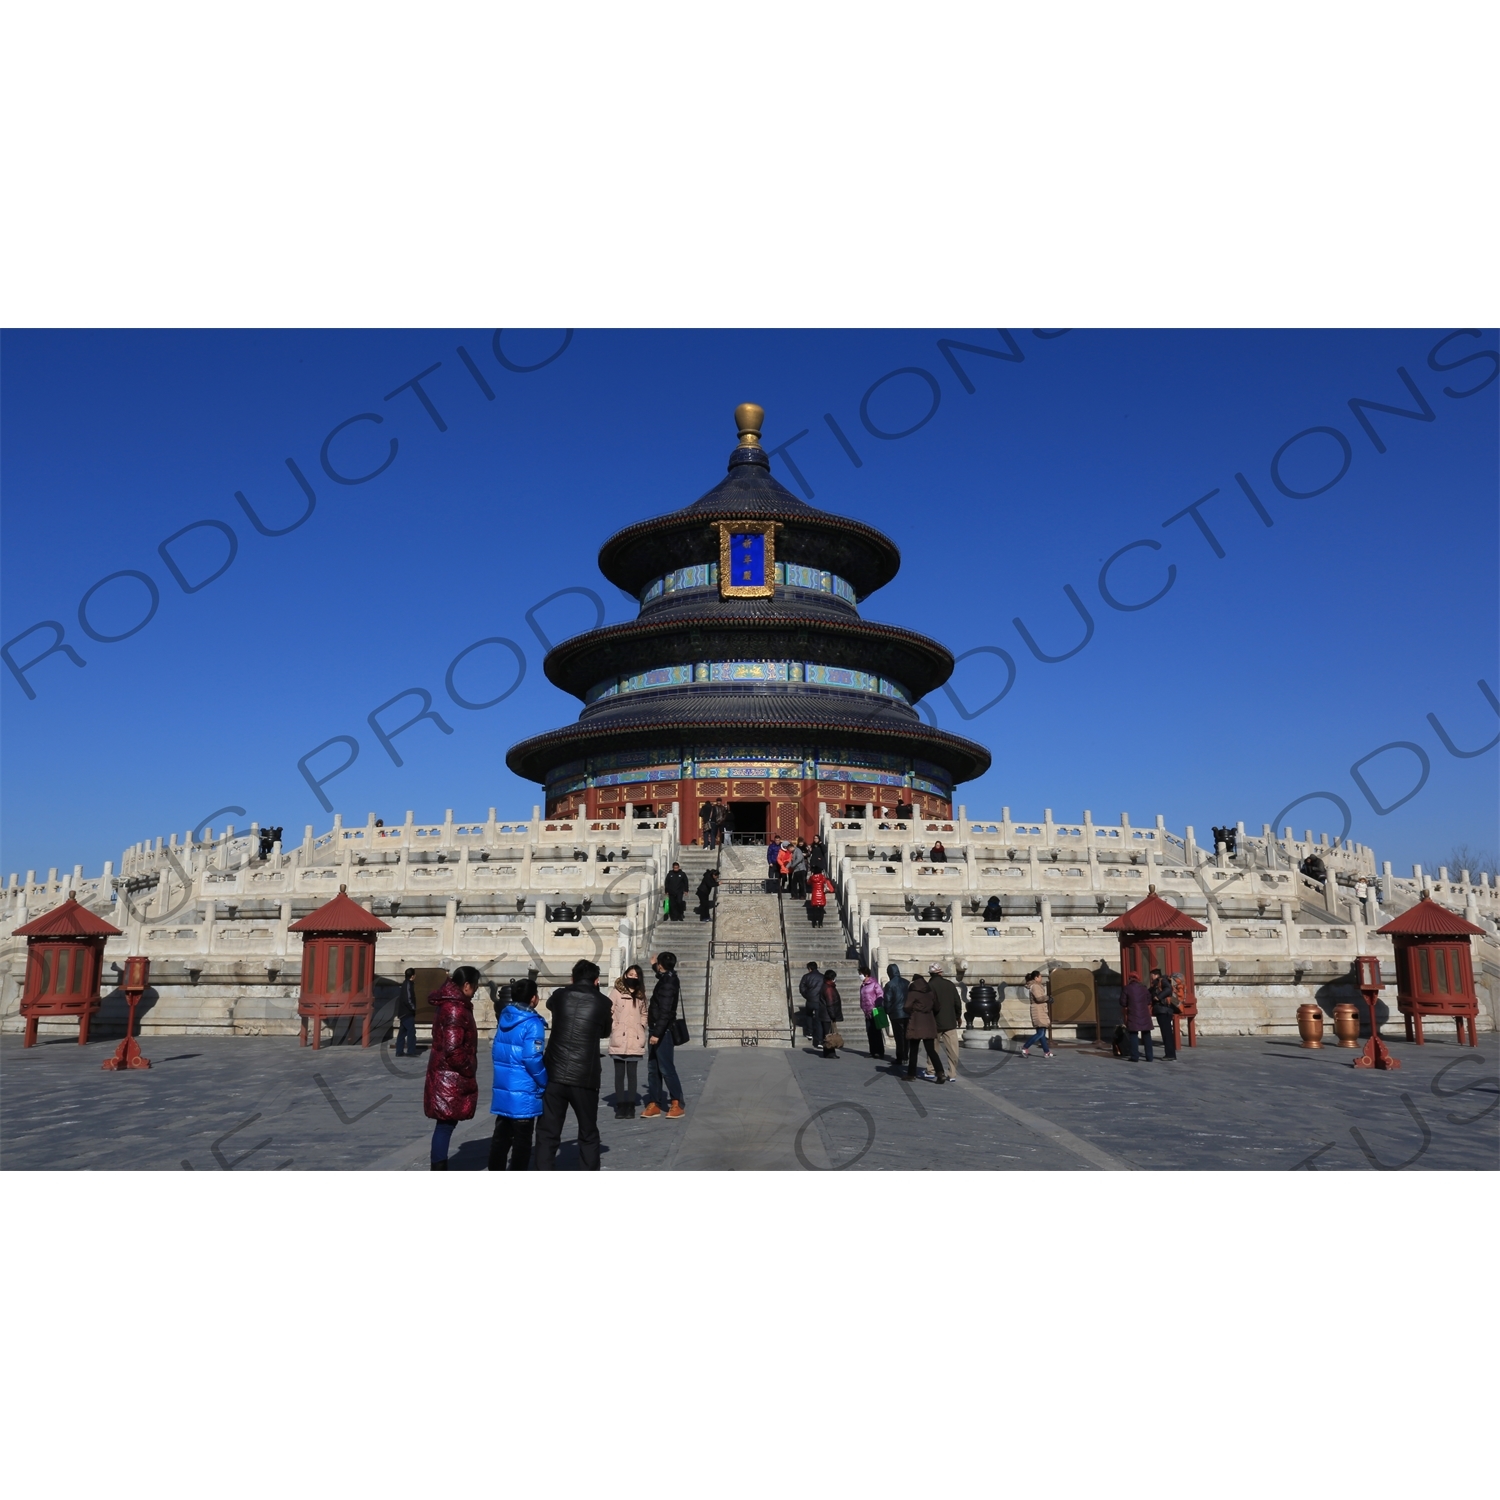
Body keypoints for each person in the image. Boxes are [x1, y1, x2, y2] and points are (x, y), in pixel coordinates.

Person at [533, 959, 614, 1169]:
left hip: (555, 1073)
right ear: (597, 981)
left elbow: (551, 1005)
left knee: (548, 1132)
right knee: (588, 1132)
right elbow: (605, 1031)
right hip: (585, 1076)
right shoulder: (604, 1003)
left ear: (572, 977)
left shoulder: (560, 995)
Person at [423, 966, 481, 1169]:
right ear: (466, 985)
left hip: (443, 1073)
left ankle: (439, 1166)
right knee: (445, 1125)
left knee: (445, 1124)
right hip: (450, 1077)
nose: (475, 991)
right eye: (475, 986)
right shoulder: (455, 1008)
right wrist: (469, 1067)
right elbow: (453, 1049)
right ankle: (438, 1167)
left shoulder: (449, 1003)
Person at [488, 976, 545, 1169]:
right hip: (524, 1088)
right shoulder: (533, 1023)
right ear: (533, 998)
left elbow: (496, 1050)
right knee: (522, 1141)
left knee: (501, 1137)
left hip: (504, 1085)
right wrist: (544, 1080)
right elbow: (532, 1058)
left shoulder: (505, 1017)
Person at [643, 952, 686, 1118]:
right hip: (656, 1029)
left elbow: (665, 1012)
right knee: (653, 1068)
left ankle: (676, 1102)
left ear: (662, 965)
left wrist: (657, 1034)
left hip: (662, 1031)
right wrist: (654, 965)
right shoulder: (668, 977)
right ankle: (654, 1102)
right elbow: (662, 974)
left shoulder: (668, 983)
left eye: (658, 964)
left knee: (666, 1068)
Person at [608, 969, 649, 1117]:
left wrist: (642, 1026)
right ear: (625, 975)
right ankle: (620, 1105)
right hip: (620, 1037)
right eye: (630, 974)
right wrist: (615, 1027)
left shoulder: (640, 994)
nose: (633, 977)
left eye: (636, 975)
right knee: (619, 1074)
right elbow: (609, 1011)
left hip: (635, 1038)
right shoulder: (616, 992)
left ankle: (630, 1106)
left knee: (632, 1074)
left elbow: (644, 1013)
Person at [903, 972, 946, 1082]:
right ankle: (940, 1072)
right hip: (928, 1021)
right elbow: (937, 1006)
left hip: (916, 1022)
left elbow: (906, 1006)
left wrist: (913, 1011)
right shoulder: (930, 992)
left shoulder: (913, 992)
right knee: (931, 1050)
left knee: (913, 1049)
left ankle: (911, 1074)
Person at [928, 962, 963, 1081]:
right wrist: (958, 1016)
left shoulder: (929, 986)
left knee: (933, 1048)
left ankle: (931, 1069)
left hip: (934, 1022)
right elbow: (957, 1003)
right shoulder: (950, 985)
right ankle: (952, 1073)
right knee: (953, 1049)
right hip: (950, 1021)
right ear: (941, 972)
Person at [1120, 972, 1155, 1062]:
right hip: (1144, 1014)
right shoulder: (1144, 988)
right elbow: (1148, 1000)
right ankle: (1149, 1056)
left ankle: (1135, 1056)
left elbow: (1123, 1002)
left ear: (1130, 979)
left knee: (1133, 1035)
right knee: (1147, 1035)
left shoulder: (1127, 988)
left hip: (1133, 1013)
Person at [1020, 969, 1055, 1058]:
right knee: (1040, 1033)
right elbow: (1039, 998)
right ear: (1036, 978)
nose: (1041, 978)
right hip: (1038, 1010)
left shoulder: (1037, 985)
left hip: (1041, 1010)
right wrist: (1048, 998)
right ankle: (1025, 1047)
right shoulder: (1035, 986)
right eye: (1040, 976)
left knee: (1041, 1032)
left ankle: (1046, 1051)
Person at [1148, 966, 1179, 1060]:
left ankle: (1170, 1055)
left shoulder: (1163, 980)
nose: (1151, 977)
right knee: (1166, 1033)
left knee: (1167, 1033)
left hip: (1164, 1010)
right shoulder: (1156, 984)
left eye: (1152, 975)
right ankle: (1169, 1054)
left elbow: (1168, 989)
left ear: (1155, 975)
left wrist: (1159, 997)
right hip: (1161, 1010)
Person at [884, 963, 910, 1068]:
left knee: (899, 1037)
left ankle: (900, 1057)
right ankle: (906, 1056)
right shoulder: (906, 982)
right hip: (907, 1013)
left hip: (896, 1014)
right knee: (906, 1036)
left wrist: (887, 1011)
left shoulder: (889, 985)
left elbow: (887, 1000)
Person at [858, 965, 886, 1058]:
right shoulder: (862, 986)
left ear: (866, 974)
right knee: (870, 1032)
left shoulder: (874, 984)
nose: (860, 976)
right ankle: (872, 1051)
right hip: (867, 1012)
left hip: (874, 1011)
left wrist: (877, 1004)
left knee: (877, 1032)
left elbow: (880, 994)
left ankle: (880, 1051)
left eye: (861, 974)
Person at [815, 969, 844, 1058]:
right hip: (827, 1015)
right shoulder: (828, 988)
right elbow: (830, 1003)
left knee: (827, 1034)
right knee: (829, 1035)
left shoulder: (826, 986)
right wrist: (833, 1015)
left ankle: (827, 1052)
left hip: (825, 1014)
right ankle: (830, 1053)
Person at [798, 960, 825, 1048]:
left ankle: (809, 1032)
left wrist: (807, 995)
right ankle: (820, 1041)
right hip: (819, 1001)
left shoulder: (806, 977)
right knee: (819, 1021)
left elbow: (802, 988)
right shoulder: (822, 977)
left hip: (810, 1000)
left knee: (809, 1015)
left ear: (809, 969)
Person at [394, 966, 419, 1057]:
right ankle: (411, 1051)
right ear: (412, 976)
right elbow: (408, 999)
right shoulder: (408, 984)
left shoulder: (405, 984)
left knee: (402, 1032)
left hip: (403, 1012)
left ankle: (399, 1051)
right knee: (411, 1032)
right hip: (407, 1012)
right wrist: (413, 1008)